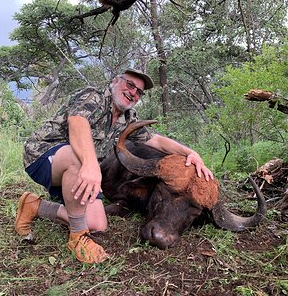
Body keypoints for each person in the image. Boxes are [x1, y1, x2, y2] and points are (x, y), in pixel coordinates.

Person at [15, 68, 214, 264]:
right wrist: (91, 165)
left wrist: (190, 153)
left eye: (139, 92)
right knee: (81, 158)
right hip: (42, 155)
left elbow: (156, 141)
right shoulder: (93, 96)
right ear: (114, 82)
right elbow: (78, 123)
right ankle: (78, 238)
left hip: (75, 169)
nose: (133, 92)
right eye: (130, 84)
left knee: (97, 223)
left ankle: (35, 206)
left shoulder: (128, 118)